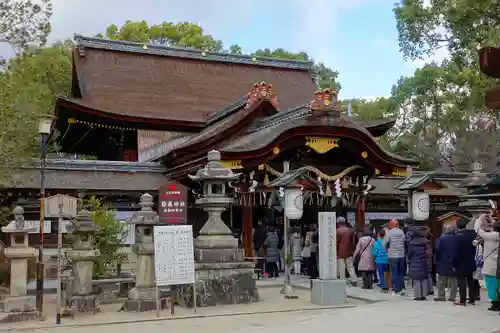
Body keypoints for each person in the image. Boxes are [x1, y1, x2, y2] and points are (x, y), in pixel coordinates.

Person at [474, 214, 500, 311]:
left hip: (490, 264)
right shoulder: (496, 235)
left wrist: (479, 220)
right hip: (498, 264)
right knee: (498, 284)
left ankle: (495, 303)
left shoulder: (491, 236)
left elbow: (478, 230)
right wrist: (492, 220)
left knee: (491, 285)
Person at [454, 218, 478, 306]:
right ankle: (472, 299)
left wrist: (453, 262)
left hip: (460, 262)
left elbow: (455, 251)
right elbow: (474, 249)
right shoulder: (472, 235)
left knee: (461, 281)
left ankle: (462, 300)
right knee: (470, 280)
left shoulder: (457, 237)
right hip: (470, 260)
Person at [434, 224, 458, 302]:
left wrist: (437, 259)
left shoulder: (441, 239)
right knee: (454, 280)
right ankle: (452, 297)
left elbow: (437, 250)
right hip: (454, 261)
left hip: (443, 261)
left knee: (441, 280)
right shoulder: (457, 238)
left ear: (445, 230)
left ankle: (441, 295)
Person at [383, 219, 406, 295]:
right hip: (401, 255)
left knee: (394, 273)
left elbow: (384, 243)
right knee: (400, 273)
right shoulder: (401, 232)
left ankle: (396, 289)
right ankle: (402, 288)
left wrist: (387, 250)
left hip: (392, 255)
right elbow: (404, 241)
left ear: (391, 225)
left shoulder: (389, 232)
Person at [407, 224, 430, 301]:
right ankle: (424, 295)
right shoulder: (426, 242)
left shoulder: (412, 243)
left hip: (415, 262)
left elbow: (409, 254)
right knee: (423, 278)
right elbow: (428, 253)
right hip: (424, 262)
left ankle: (418, 296)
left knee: (416, 279)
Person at [336, 217, 357, 285]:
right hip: (349, 251)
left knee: (341, 267)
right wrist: (353, 249)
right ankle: (354, 280)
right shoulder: (351, 230)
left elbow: (336, 242)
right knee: (350, 266)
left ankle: (342, 280)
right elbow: (353, 242)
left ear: (338, 223)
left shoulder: (337, 231)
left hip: (340, 252)